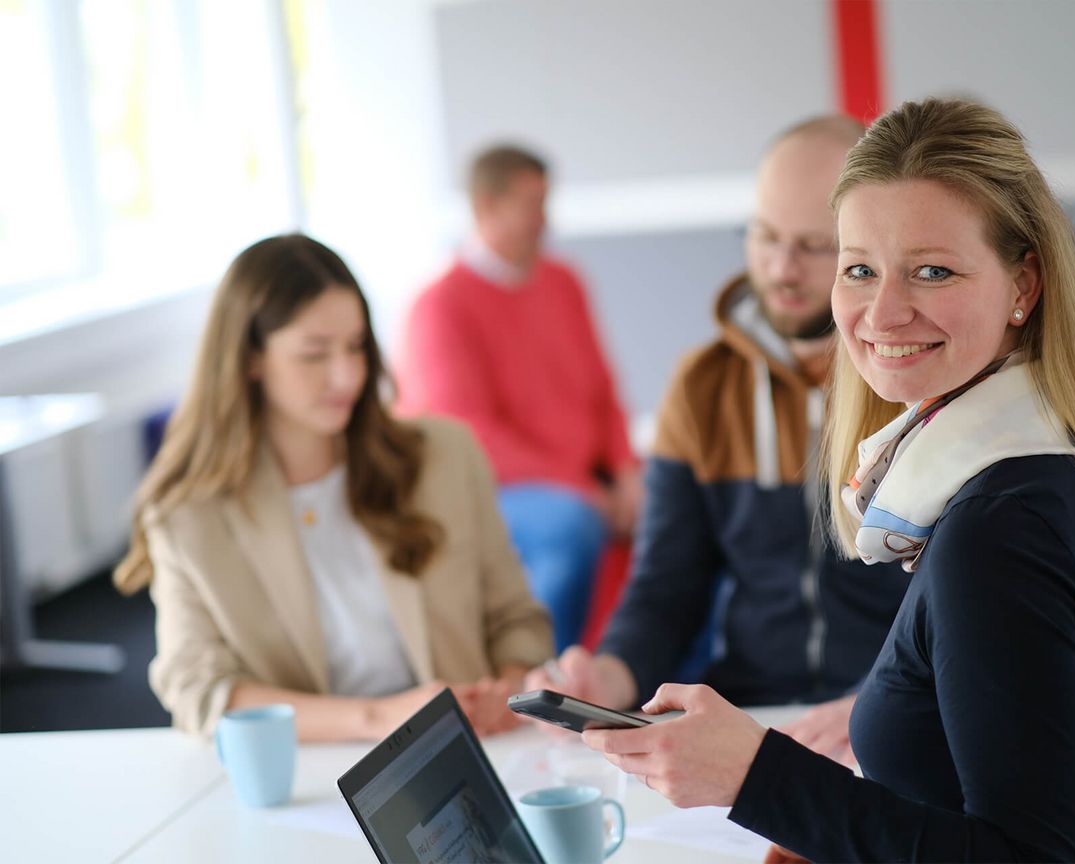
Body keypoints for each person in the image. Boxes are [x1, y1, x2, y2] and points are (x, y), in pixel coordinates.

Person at [580, 98, 1075, 862]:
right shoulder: (1066, 462)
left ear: (1024, 287)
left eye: (933, 271)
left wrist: (756, 779)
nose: (883, 312)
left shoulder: (998, 529)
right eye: (860, 270)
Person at [527, 116, 910, 764]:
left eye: (816, 245)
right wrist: (607, 678)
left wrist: (892, 703)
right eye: (764, 237)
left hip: (896, 718)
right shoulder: (703, 387)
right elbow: (665, 588)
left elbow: (962, 607)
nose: (782, 269)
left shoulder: (914, 374)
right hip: (751, 718)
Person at [114, 234, 553, 742]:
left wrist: (511, 686)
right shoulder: (187, 514)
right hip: (318, 767)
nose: (346, 375)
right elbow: (198, 689)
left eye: (355, 346)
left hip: (472, 751)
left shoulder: (445, 456)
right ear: (250, 359)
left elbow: (517, 619)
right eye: (314, 354)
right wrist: (378, 718)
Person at [398, 145, 641, 652]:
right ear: (486, 207)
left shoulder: (564, 282)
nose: (543, 221)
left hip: (581, 480)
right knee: (568, 525)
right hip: (498, 489)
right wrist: (588, 493)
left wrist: (625, 473)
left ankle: (666, 676)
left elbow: (603, 391)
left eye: (544, 204)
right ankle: (541, 675)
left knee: (687, 506)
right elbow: (471, 438)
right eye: (531, 205)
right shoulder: (440, 306)